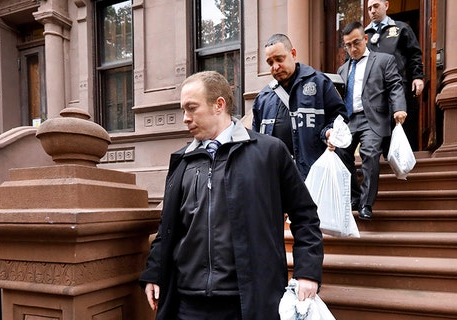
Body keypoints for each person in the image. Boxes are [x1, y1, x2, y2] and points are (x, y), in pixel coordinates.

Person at [139, 71, 324, 320]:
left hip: (247, 302)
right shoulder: (182, 160)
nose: (185, 118)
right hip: (187, 303)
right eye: (183, 110)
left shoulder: (270, 153)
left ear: (219, 105)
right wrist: (154, 272)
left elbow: (305, 216)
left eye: (191, 108)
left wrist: (307, 273)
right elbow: (169, 227)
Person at [252, 33, 348, 179]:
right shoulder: (263, 98)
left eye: (279, 59)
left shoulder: (320, 83)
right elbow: (256, 140)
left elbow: (339, 116)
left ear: (293, 54)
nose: (275, 67)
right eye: (270, 63)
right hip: (277, 180)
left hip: (314, 177)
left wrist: (329, 132)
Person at [337, 21, 407, 220]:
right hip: (350, 119)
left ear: (365, 39)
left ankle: (366, 204)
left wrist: (400, 108)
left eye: (356, 43)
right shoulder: (342, 70)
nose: (352, 48)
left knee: (369, 154)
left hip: (372, 119)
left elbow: (395, 85)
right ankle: (355, 196)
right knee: (341, 153)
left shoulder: (383, 60)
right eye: (348, 45)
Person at [365, 0, 424, 151]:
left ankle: (405, 161)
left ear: (386, 5)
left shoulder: (401, 28)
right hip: (375, 89)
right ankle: (384, 159)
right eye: (369, 8)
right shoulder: (365, 35)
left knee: (401, 122)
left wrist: (418, 76)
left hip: (399, 85)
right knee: (379, 124)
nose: (372, 11)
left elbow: (414, 54)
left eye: (376, 6)